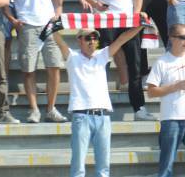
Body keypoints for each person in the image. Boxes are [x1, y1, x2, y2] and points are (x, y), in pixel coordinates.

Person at [52, 16, 147, 177]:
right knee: (78, 167)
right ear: (79, 40)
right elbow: (59, 40)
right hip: (81, 116)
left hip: (103, 117)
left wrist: (140, 26)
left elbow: (122, 38)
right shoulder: (72, 57)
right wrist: (52, 27)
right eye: (88, 38)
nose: (92, 41)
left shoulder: (102, 55)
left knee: (104, 168)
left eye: (95, 38)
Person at [4, 0, 64, 123]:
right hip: (27, 26)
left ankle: (51, 109)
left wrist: (58, 13)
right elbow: (5, 2)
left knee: (54, 67)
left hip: (49, 25)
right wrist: (13, 20)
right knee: (28, 70)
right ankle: (34, 110)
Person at [146, 22, 185, 177]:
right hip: (171, 120)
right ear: (171, 38)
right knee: (166, 167)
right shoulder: (162, 62)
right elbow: (151, 92)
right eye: (182, 37)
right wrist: (174, 87)